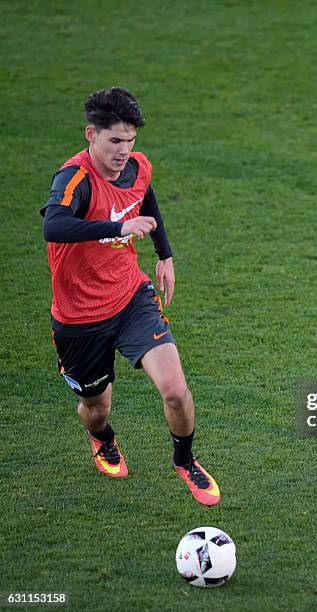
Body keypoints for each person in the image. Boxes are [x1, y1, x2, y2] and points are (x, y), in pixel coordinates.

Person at [41, 87, 220, 505]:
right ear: (91, 134)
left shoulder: (137, 167)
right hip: (79, 317)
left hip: (130, 298)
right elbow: (54, 226)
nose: (125, 150)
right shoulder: (75, 179)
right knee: (95, 408)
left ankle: (185, 460)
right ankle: (102, 439)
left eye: (130, 140)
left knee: (175, 389)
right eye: (115, 141)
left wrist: (165, 254)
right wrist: (116, 229)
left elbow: (146, 198)